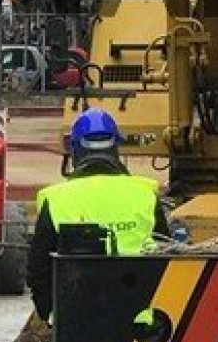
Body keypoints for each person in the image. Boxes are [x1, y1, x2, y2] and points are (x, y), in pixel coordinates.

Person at [27, 110, 167, 322]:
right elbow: (166, 257)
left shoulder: (55, 199)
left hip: (76, 322)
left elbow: (39, 271)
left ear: (74, 152)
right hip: (139, 324)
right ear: (116, 149)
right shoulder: (145, 193)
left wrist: (51, 316)